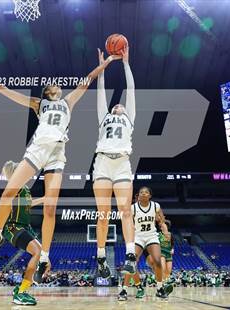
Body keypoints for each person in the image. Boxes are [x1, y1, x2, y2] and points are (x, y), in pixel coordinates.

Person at [0, 53, 121, 283]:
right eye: (53, 85)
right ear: (47, 92)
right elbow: (7, 91)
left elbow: (88, 79)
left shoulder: (67, 102)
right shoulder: (39, 104)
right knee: (8, 193)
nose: (57, 85)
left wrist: (105, 64)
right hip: (37, 150)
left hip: (57, 154)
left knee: (50, 208)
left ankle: (44, 258)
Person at [93, 46, 137, 279]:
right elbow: (100, 92)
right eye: (115, 105)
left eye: (120, 105)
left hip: (121, 164)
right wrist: (103, 67)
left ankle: (130, 256)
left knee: (125, 211)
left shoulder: (129, 118)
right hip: (102, 164)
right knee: (103, 214)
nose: (118, 105)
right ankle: (101, 257)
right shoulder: (104, 119)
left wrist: (126, 63)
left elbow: (130, 89)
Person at [2, 160, 44, 306]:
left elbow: (28, 204)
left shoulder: (24, 188)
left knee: (42, 255)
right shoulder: (14, 186)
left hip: (24, 226)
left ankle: (21, 290)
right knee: (37, 252)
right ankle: (20, 293)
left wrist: (45, 199)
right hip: (13, 227)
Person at [118, 187, 172, 301]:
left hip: (152, 236)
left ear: (150, 195)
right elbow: (127, 222)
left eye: (146, 192)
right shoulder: (133, 208)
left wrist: (165, 230)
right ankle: (124, 290)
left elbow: (161, 220)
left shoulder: (155, 206)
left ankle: (159, 288)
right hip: (138, 237)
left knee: (157, 261)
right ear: (138, 195)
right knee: (130, 262)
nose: (143, 193)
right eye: (141, 192)